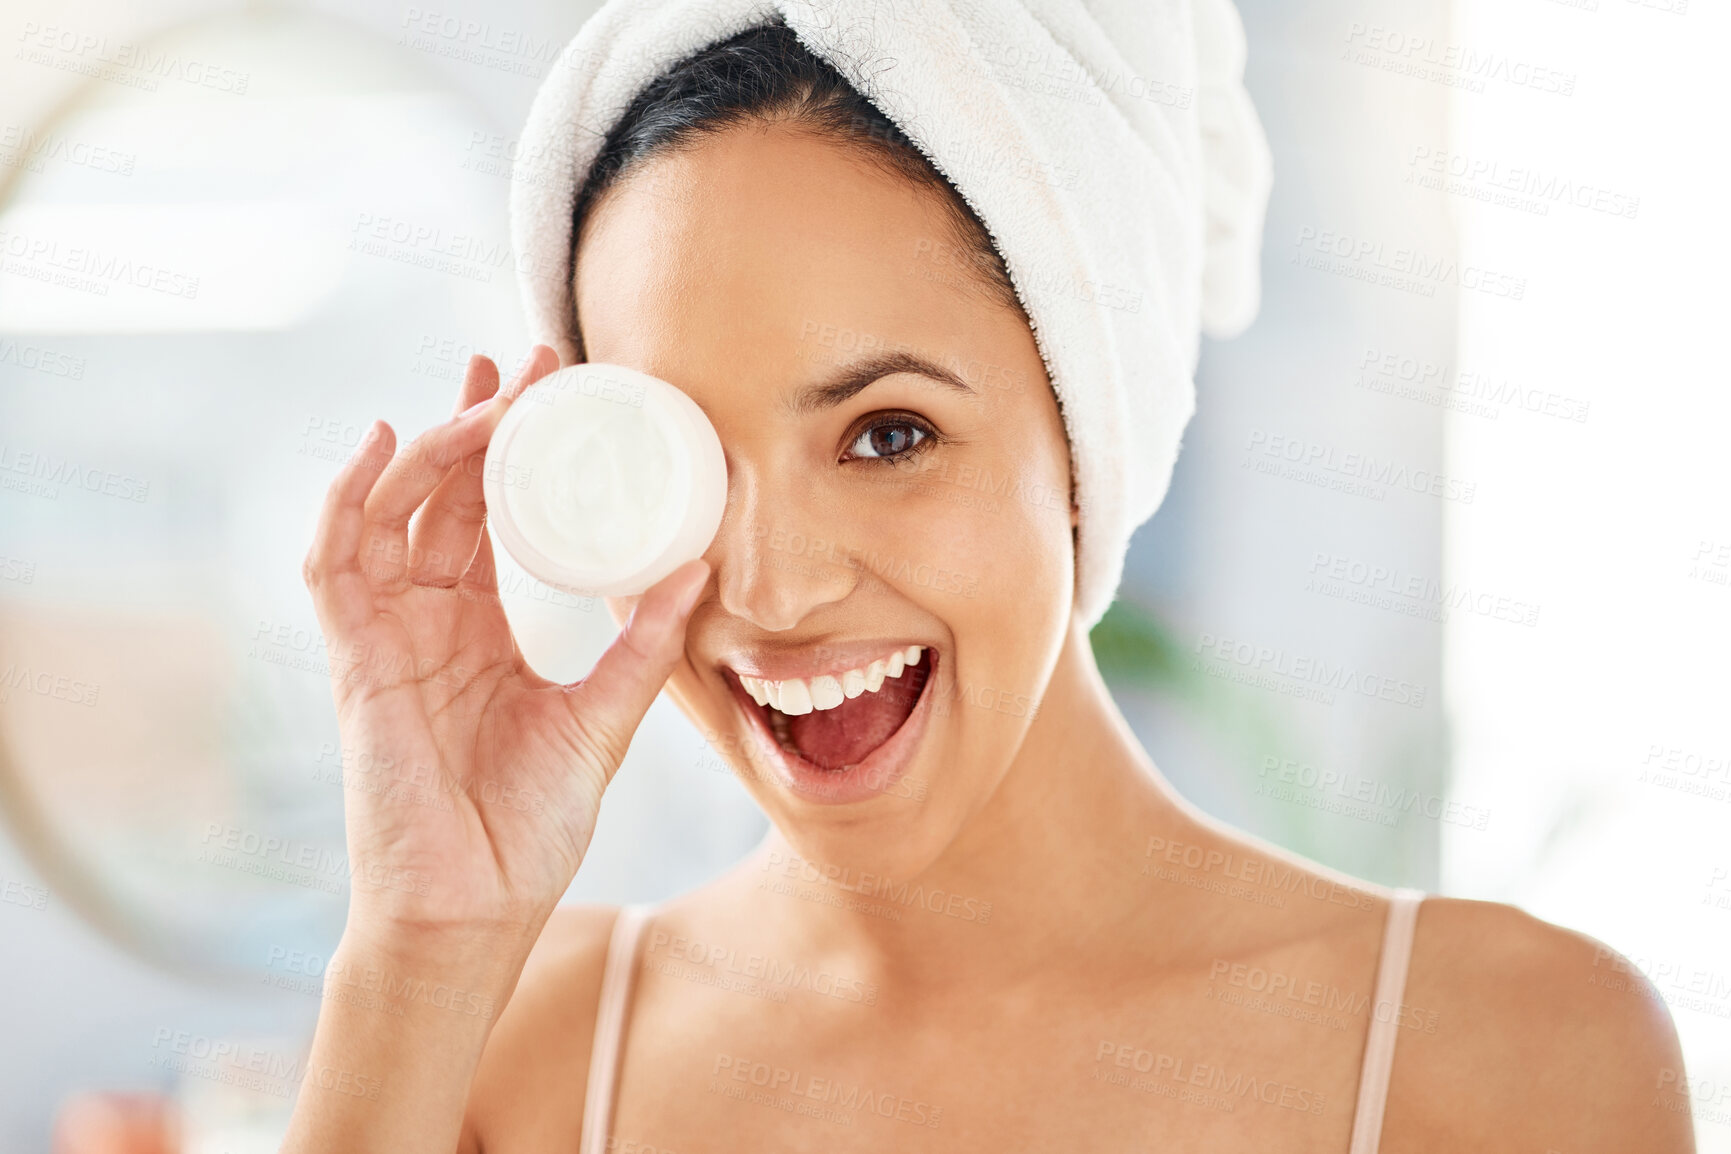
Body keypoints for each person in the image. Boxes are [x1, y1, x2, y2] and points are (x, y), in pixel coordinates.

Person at [284, 16, 1691, 1154]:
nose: (771, 590)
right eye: (692, 460)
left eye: (889, 435)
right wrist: (419, 949)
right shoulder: (513, 1042)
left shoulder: (1508, 1055)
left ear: (1087, 436)